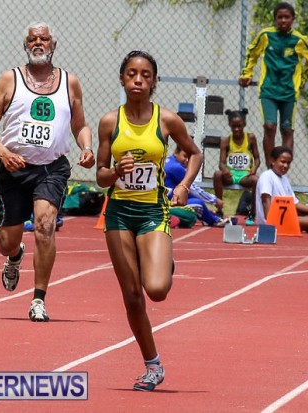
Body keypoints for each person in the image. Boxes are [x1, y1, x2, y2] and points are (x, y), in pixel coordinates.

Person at [96, 50, 203, 392]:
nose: (138, 80)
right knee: (132, 295)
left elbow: (195, 153)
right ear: (122, 79)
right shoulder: (109, 122)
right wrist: (116, 171)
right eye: (131, 74)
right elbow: (99, 175)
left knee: (156, 290)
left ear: (154, 81)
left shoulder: (167, 120)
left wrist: (183, 186)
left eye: (145, 75)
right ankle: (152, 365)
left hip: (153, 212)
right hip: (118, 214)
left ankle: (163, 261)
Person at [0, 22, 95, 322]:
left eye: (44, 39)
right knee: (6, 241)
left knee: (45, 226)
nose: (38, 43)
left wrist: (86, 147)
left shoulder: (69, 82)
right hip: (14, 169)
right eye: (33, 39)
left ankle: (38, 299)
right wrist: (3, 153)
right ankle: (14, 255)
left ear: (53, 45)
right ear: (25, 45)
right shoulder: (10, 79)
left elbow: (80, 125)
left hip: (51, 168)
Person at [238, 1, 308, 165]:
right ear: (275, 19)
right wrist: (247, 73)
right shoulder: (266, 35)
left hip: (289, 92)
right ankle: (271, 166)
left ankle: (283, 166)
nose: (283, 20)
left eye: (287, 17)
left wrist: (302, 79)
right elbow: (252, 53)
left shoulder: (299, 40)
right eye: (280, 17)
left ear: (293, 19)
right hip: (268, 90)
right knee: (269, 126)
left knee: (287, 130)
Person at [256, 146, 308, 233]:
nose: (286, 165)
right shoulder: (267, 176)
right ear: (272, 161)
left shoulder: (284, 178)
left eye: (288, 163)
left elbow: (295, 203)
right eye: (283, 162)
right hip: (274, 219)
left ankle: (304, 227)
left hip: (285, 216)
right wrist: (270, 223)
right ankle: (306, 227)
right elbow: (265, 200)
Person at [213, 108, 261, 225]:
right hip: (231, 174)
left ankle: (252, 213)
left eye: (239, 126)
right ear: (229, 125)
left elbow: (257, 158)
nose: (236, 129)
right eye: (233, 126)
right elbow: (221, 163)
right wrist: (225, 170)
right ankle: (219, 210)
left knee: (256, 180)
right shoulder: (225, 141)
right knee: (217, 174)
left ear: (244, 124)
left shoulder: (250, 138)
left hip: (245, 175)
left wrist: (254, 168)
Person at [165, 147, 229, 227]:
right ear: (176, 153)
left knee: (191, 213)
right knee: (198, 205)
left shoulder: (169, 161)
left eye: (190, 158)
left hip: (165, 201)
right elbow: (193, 189)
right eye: (185, 156)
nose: (187, 160)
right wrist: (214, 200)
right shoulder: (176, 167)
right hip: (167, 204)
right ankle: (215, 220)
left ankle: (174, 219)